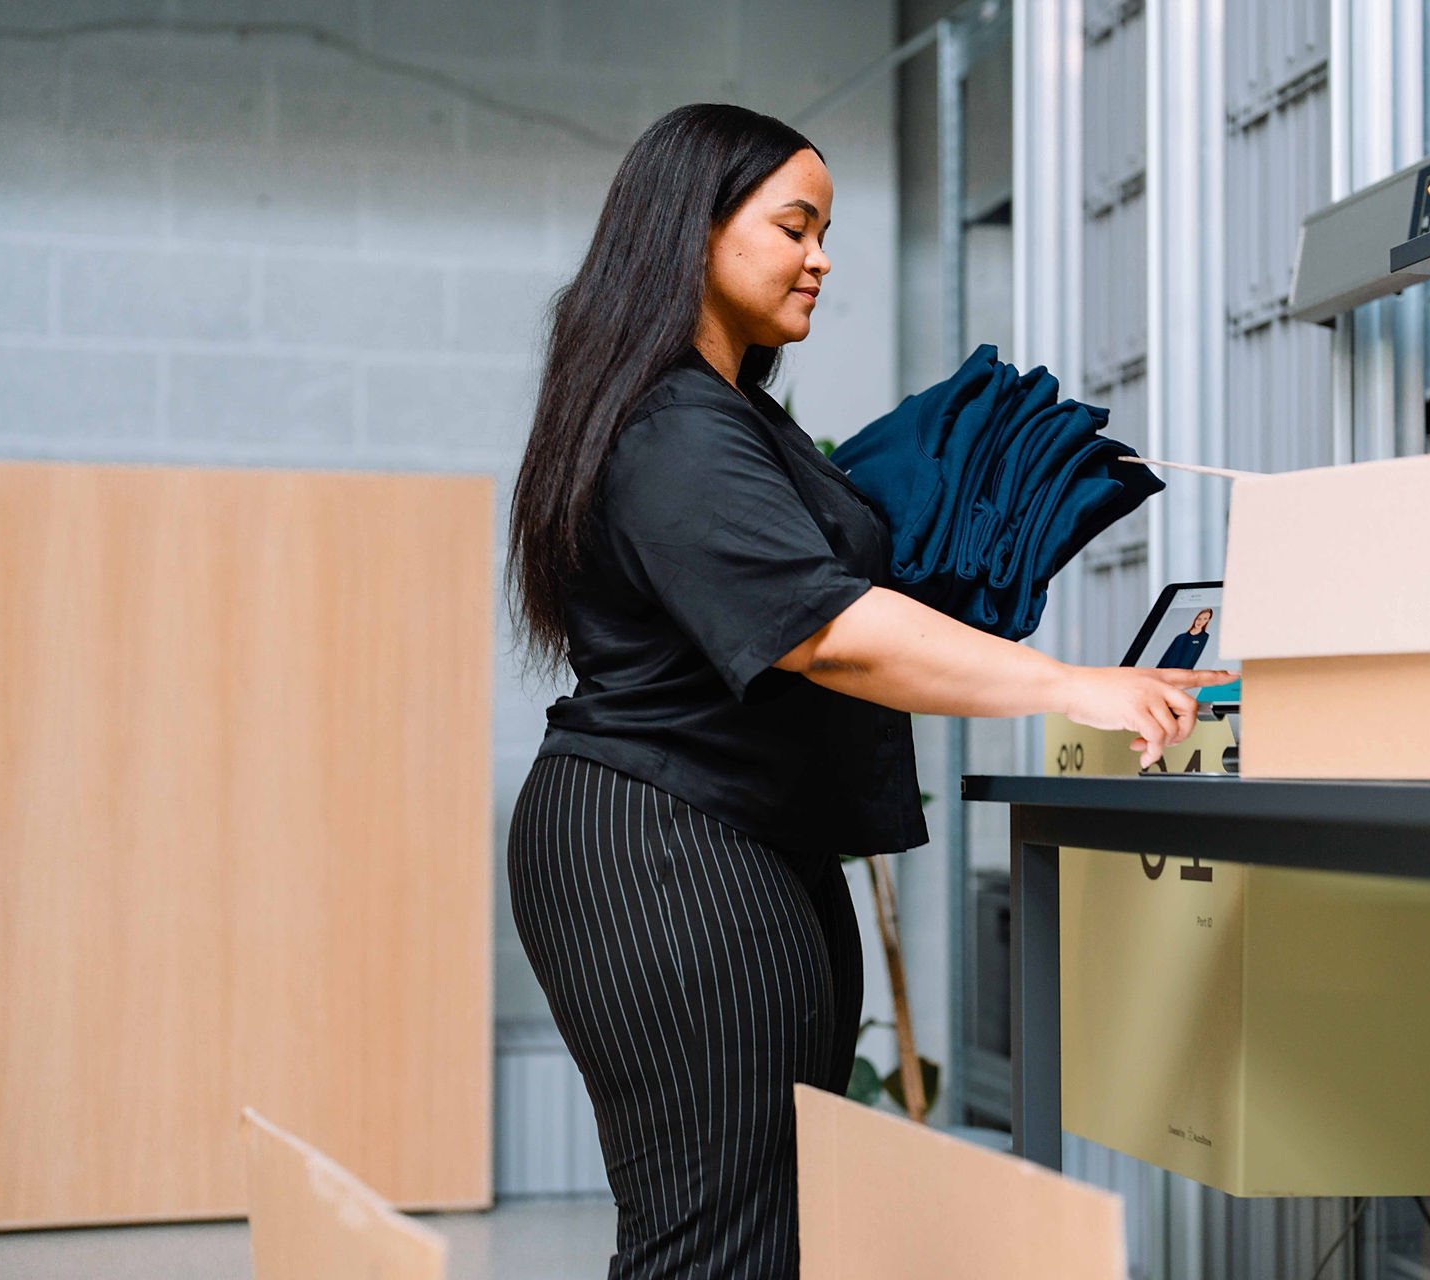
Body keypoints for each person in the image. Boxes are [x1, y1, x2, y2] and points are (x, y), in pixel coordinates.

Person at [503, 102, 1235, 1279]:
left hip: (732, 838)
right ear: (694, 229)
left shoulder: (725, 414)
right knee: (718, 1244)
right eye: (795, 227)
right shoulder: (671, 427)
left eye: (827, 229)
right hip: (668, 846)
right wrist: (1069, 686)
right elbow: (827, 632)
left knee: (765, 1230)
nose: (822, 257)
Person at [1159, 607, 1214, 671]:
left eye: (1205, 619)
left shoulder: (1204, 637)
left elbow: (1194, 658)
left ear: (1208, 620)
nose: (1200, 621)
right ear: (1195, 619)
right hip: (1165, 672)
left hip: (1181, 674)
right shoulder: (1180, 637)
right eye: (1199, 618)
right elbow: (1166, 657)